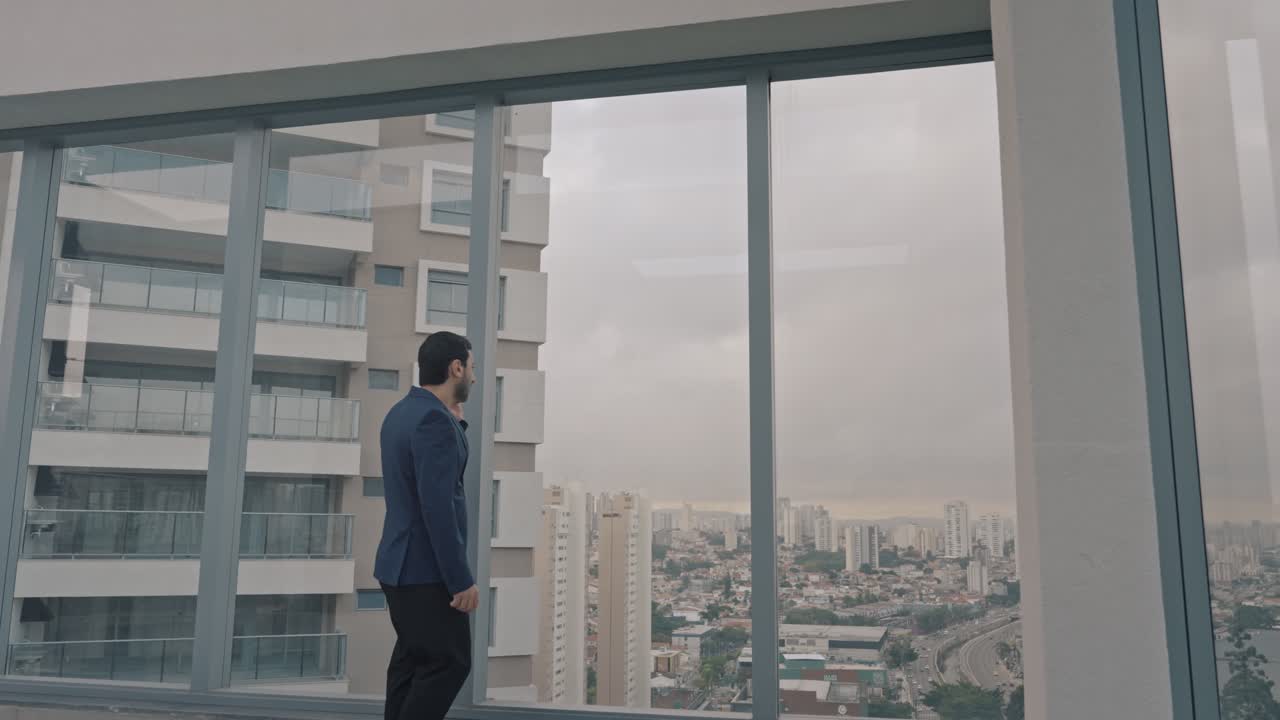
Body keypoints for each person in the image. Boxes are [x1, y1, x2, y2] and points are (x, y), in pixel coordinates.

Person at [374, 331, 478, 720]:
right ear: (455, 368)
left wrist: (456, 428)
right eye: (471, 368)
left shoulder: (401, 412)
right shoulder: (435, 421)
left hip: (396, 568)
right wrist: (460, 581)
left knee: (412, 662)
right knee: (449, 663)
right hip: (425, 572)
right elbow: (438, 508)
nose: (474, 377)